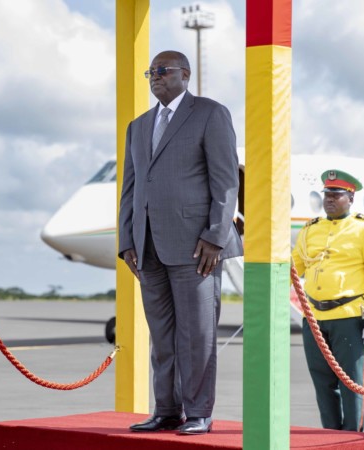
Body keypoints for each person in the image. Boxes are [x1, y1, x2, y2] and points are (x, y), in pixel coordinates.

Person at [118, 50, 242, 435]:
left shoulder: (209, 113)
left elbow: (226, 181)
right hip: (148, 247)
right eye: (150, 72)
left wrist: (215, 236)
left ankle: (199, 412)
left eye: (163, 70)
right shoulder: (138, 126)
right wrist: (127, 241)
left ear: (185, 75)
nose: (155, 76)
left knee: (197, 334)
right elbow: (131, 190)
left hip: (196, 248)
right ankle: (167, 410)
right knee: (163, 336)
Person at [291, 169, 364, 432]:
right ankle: (330, 435)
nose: (329, 199)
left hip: (349, 317)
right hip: (314, 318)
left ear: (351, 198)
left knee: (352, 382)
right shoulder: (310, 230)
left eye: (336, 194)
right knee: (322, 382)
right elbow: (292, 268)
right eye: (327, 194)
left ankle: (351, 439)